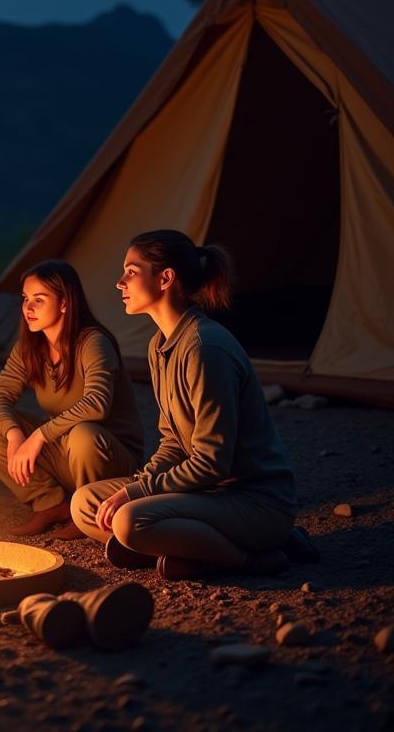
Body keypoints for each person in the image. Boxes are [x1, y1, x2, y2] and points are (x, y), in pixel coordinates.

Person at [70, 230, 299, 580]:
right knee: (85, 503)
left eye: (131, 272)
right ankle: (190, 551)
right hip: (201, 494)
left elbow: (211, 463)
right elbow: (173, 441)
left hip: (251, 501)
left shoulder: (205, 349)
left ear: (165, 278)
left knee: (129, 520)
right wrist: (139, 484)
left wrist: (137, 492)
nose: (120, 283)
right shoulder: (160, 345)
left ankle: (249, 559)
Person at [0, 260, 144, 538]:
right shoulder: (31, 346)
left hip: (111, 460)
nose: (28, 308)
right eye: (25, 299)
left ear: (64, 303)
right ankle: (50, 505)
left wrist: (39, 436)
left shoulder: (93, 342)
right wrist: (15, 434)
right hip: (68, 452)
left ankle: (88, 511)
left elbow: (97, 403)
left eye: (39, 300)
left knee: (83, 434)